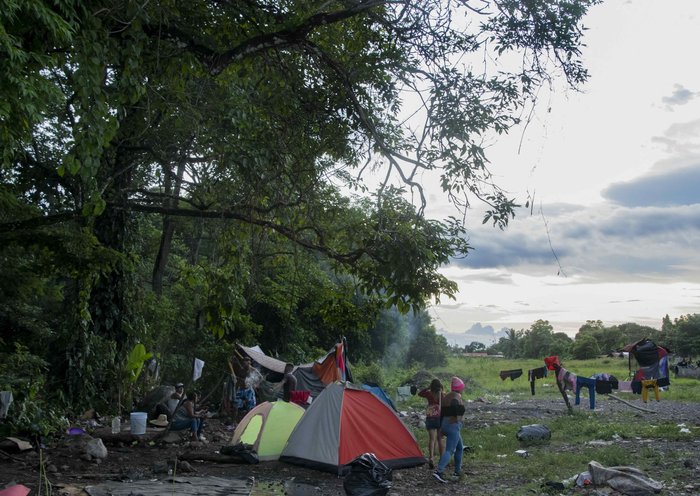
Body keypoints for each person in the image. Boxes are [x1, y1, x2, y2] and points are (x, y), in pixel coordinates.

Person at [432, 376, 466, 484]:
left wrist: (441, 428)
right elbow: (457, 409)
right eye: (462, 388)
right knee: (450, 450)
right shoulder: (457, 396)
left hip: (445, 425)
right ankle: (439, 471)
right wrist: (458, 419)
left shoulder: (447, 396)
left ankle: (457, 471)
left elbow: (441, 413)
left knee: (460, 447)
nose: (463, 390)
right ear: (460, 388)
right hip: (453, 426)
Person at [418, 379, 444, 469]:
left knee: (432, 439)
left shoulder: (428, 394)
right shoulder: (441, 394)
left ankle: (431, 458)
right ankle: (442, 459)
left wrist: (428, 388)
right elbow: (444, 404)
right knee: (440, 439)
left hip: (430, 418)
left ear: (432, 386)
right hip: (439, 418)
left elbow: (420, 393)